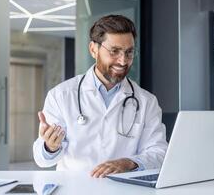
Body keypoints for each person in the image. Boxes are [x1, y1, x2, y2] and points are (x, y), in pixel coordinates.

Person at [33, 14, 168, 178]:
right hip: (76, 189)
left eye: (129, 52)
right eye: (114, 51)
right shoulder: (61, 95)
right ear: (93, 49)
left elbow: (159, 153)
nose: (123, 61)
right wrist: (50, 147)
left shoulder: (147, 101)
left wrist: (129, 163)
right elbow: (42, 160)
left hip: (124, 189)